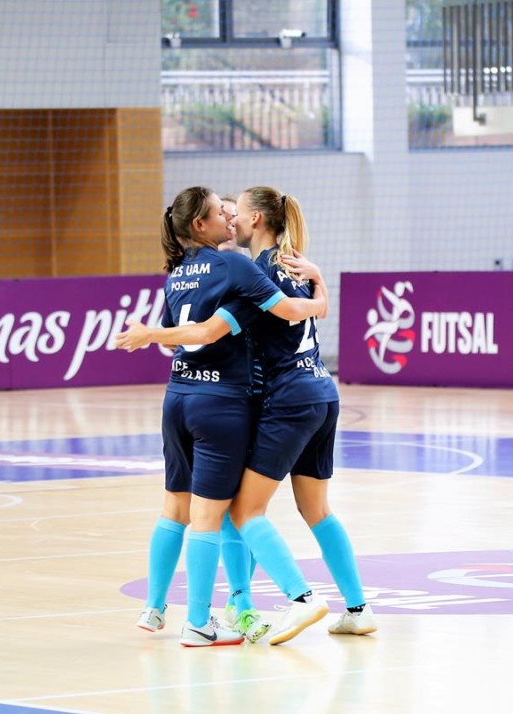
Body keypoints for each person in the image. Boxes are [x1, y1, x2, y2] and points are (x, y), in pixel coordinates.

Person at [122, 187, 374, 641]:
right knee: (315, 509)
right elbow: (292, 310)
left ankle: (259, 603)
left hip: (272, 397)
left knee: (237, 509)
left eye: (234, 210)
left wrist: (151, 335)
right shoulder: (293, 264)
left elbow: (205, 331)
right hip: (321, 391)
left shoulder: (235, 271)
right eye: (222, 211)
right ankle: (356, 608)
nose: (230, 217)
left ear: (255, 219)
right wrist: (322, 289)